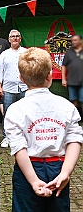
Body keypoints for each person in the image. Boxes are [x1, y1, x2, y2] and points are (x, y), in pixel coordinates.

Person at [5, 47, 83, 212]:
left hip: (28, 168)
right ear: (50, 76)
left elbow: (19, 148)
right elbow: (75, 140)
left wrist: (33, 181)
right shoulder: (66, 106)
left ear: (21, 78)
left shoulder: (14, 110)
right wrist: (65, 173)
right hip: (58, 167)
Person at [0, 29, 27, 148]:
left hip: (24, 87)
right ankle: (6, 137)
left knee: (24, 113)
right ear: (9, 39)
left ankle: (23, 137)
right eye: (12, 36)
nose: (15, 38)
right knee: (8, 114)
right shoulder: (4, 54)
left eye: (17, 36)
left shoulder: (25, 53)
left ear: (20, 38)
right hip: (8, 88)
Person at [61, 34, 83, 112]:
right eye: (72, 40)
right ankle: (75, 121)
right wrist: (63, 79)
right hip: (71, 81)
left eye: (75, 40)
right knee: (73, 101)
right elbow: (63, 66)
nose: (73, 42)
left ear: (80, 41)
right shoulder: (68, 53)